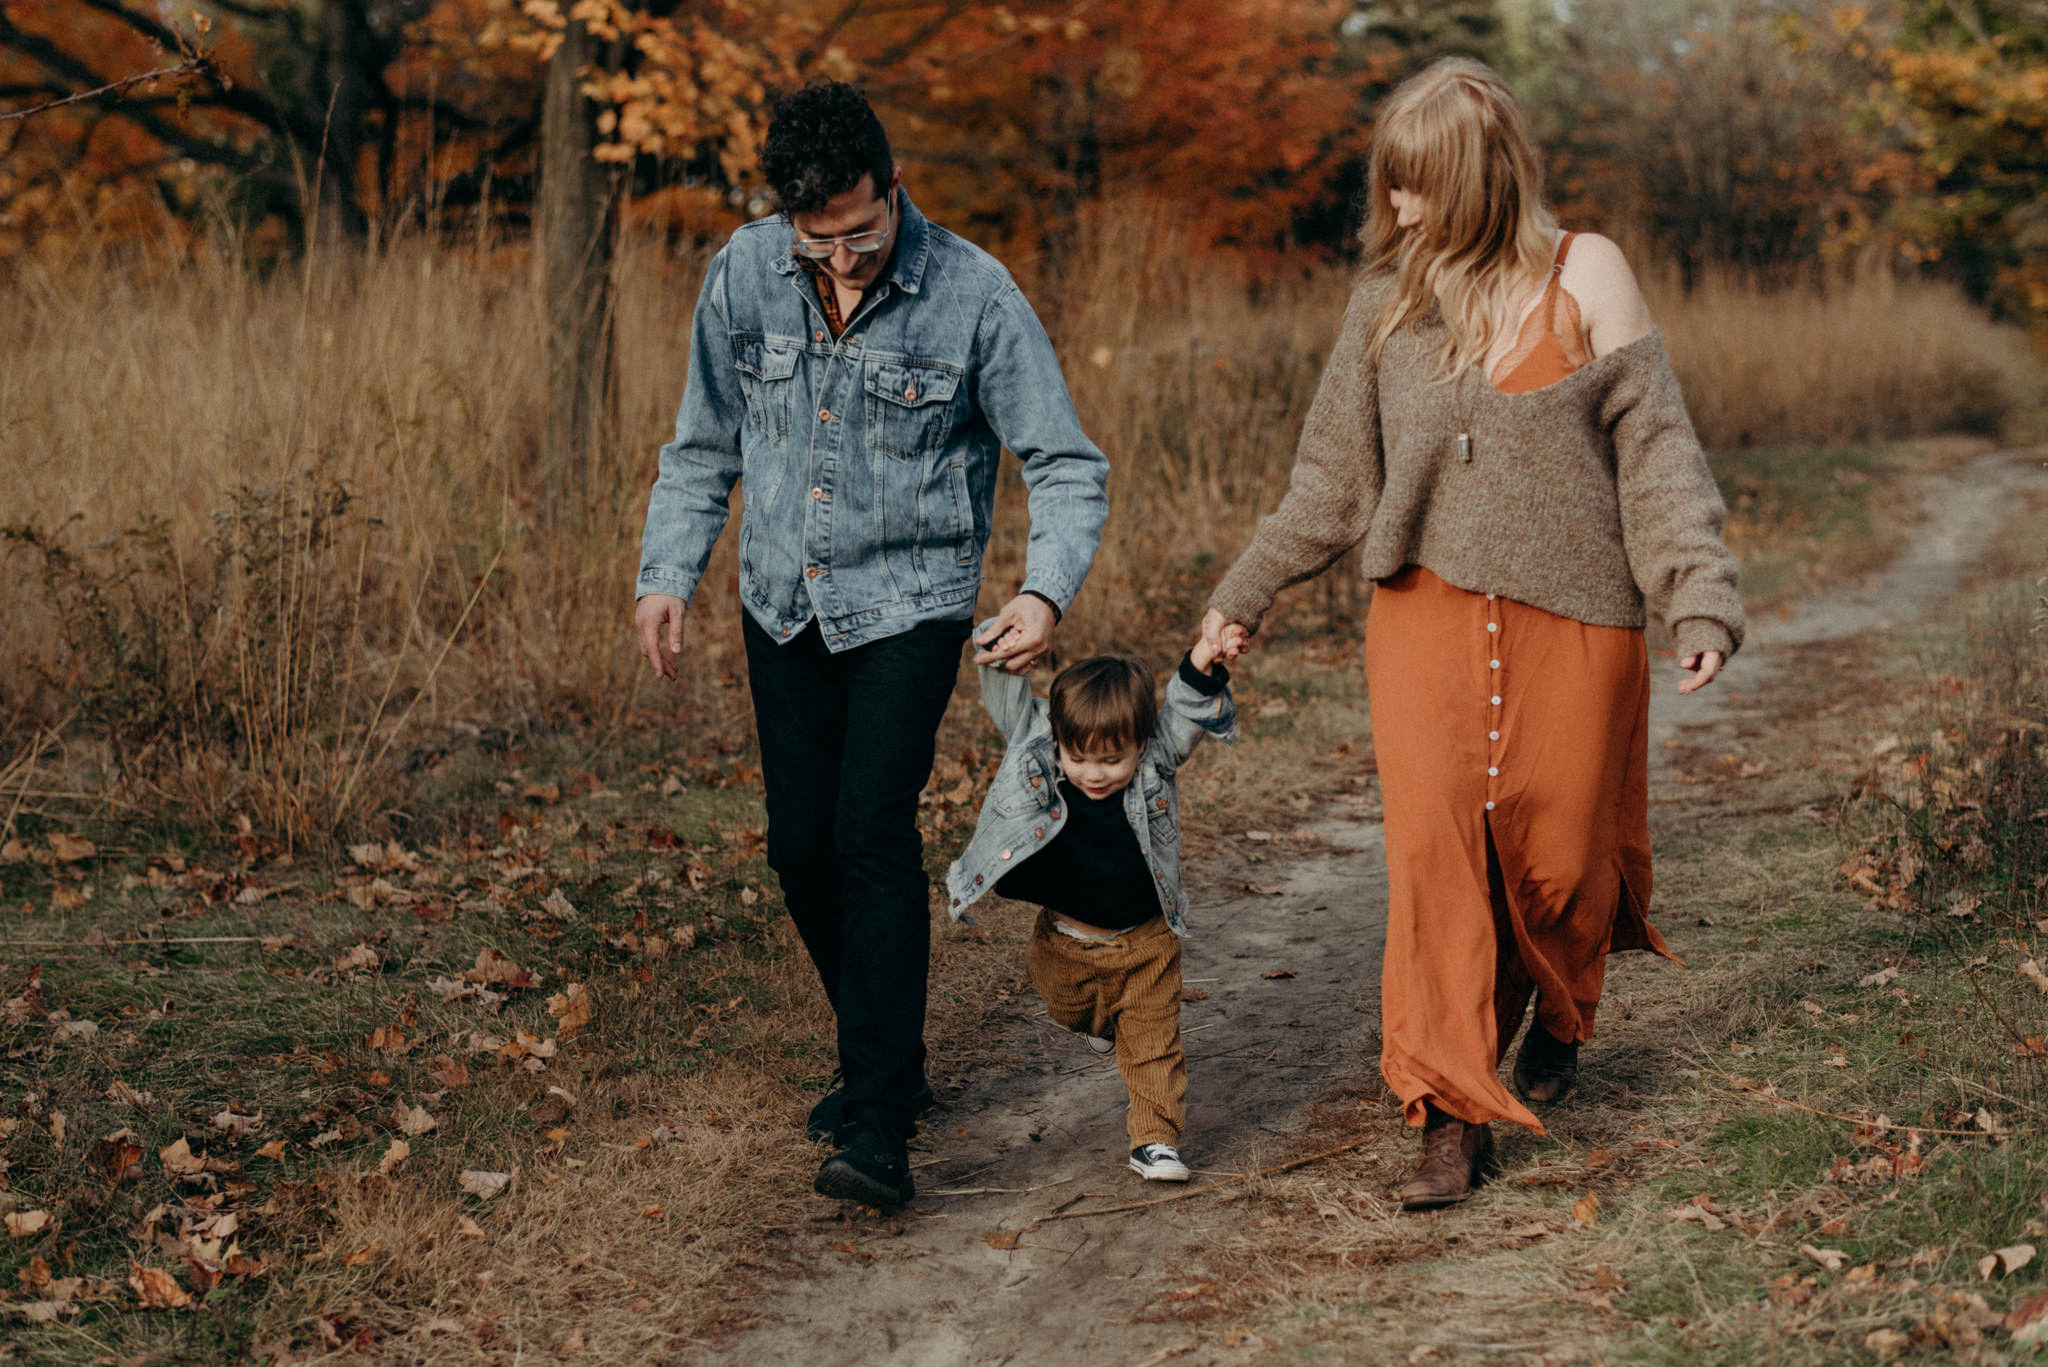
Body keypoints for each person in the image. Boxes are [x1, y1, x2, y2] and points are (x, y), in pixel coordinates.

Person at [1202, 57, 1743, 1210]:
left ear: (1483, 179)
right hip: (1422, 618)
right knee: (1438, 863)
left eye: (1418, 189)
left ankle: (1559, 1000)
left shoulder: (1584, 271)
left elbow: (1656, 460)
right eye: (1388, 189)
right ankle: (1447, 1109)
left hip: (1577, 618)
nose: (1397, 213)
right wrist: (1240, 592)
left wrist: (1696, 592)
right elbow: (1329, 481)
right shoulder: (1386, 302)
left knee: (1558, 864)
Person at [634, 81, 1110, 1210]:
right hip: (779, 601)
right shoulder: (743, 272)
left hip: (909, 602)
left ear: (894, 189)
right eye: (819, 240)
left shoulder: (975, 295)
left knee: (867, 832)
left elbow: (1063, 461)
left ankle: (880, 1115)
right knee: (797, 847)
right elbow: (702, 442)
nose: (844, 259)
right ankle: (877, 1050)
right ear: (785, 222)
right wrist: (667, 572)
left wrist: (1042, 592)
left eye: (861, 230)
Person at [945, 623, 1237, 1182]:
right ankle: (1108, 1025)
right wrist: (1006, 646)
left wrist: (1202, 657)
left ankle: (1155, 1142)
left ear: (1141, 744)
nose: (1093, 774)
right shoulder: (1037, 750)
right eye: (1078, 758)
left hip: (1147, 940)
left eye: (1111, 760)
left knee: (1153, 1043)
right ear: (1058, 740)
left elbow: (1187, 708)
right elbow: (1007, 696)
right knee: (1068, 1008)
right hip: (1063, 945)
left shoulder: (1158, 757)